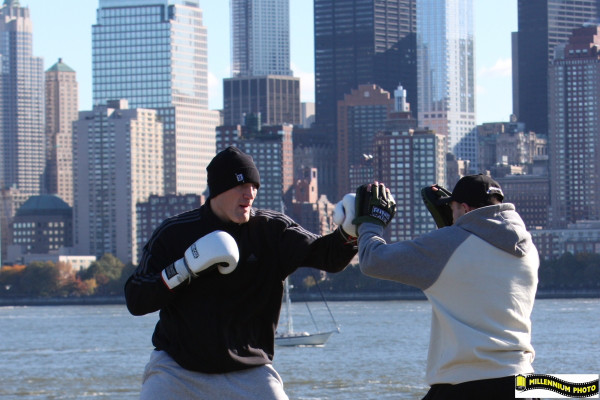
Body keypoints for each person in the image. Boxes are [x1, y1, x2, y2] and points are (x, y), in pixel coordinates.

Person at [125, 146, 357, 399]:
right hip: (176, 371)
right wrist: (182, 269)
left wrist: (352, 231)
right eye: (241, 185)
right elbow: (136, 299)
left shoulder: (272, 230)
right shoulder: (174, 233)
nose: (250, 193)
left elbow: (328, 256)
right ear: (218, 190)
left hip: (249, 372)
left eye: (255, 186)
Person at [354, 175, 539, 400]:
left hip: (465, 383)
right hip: (523, 382)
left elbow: (372, 260)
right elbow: (474, 271)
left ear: (463, 207)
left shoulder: (448, 245)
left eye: (453, 210)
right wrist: (454, 226)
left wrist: (371, 223)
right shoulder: (528, 250)